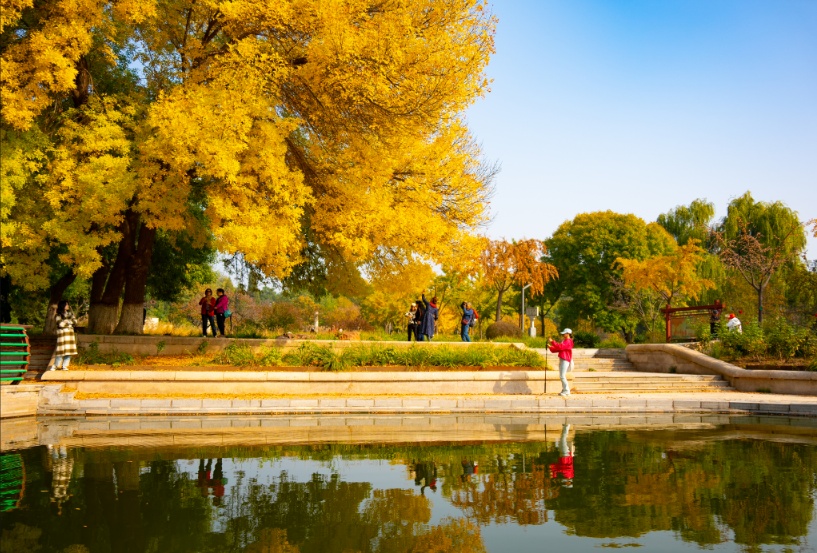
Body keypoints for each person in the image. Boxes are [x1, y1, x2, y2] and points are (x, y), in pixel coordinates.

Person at [50, 300, 77, 371]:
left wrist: (66, 321)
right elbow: (60, 324)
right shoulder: (58, 315)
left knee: (69, 351)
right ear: (63, 306)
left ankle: (65, 366)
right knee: (60, 351)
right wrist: (69, 322)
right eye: (66, 305)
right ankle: (55, 365)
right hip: (62, 335)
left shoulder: (70, 314)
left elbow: (75, 322)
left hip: (70, 334)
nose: (68, 306)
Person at [548, 328, 574, 397]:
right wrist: (551, 347)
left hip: (565, 359)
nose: (563, 334)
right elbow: (559, 349)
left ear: (568, 334)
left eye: (564, 333)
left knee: (562, 376)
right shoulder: (565, 341)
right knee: (562, 376)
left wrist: (552, 342)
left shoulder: (569, 341)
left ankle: (566, 390)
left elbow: (560, 347)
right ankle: (564, 390)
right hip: (563, 359)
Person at [549, 423, 575, 488]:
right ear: (568, 482)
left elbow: (560, 468)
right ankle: (567, 426)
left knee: (562, 439)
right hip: (565, 454)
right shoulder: (568, 474)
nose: (564, 481)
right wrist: (555, 472)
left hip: (564, 454)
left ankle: (566, 427)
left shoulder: (569, 474)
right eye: (566, 483)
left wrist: (554, 474)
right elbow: (562, 469)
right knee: (563, 438)